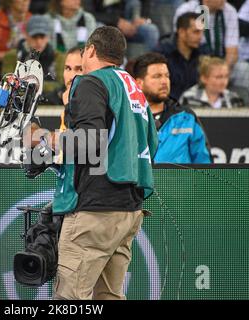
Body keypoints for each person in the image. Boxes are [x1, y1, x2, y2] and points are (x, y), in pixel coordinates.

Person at [49, 26, 158, 300]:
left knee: (70, 300)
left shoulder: (90, 82)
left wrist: (50, 142)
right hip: (129, 210)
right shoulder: (133, 86)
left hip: (95, 211)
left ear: (91, 51)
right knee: (108, 297)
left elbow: (90, 144)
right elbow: (152, 143)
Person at [133, 52, 212, 164]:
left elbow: (205, 165)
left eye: (167, 76)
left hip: (181, 182)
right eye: (157, 76)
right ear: (139, 83)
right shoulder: (128, 118)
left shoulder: (186, 117)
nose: (164, 81)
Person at [155, 12, 207, 100]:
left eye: (202, 32)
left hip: (197, 106)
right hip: (168, 107)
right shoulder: (162, 54)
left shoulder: (203, 54)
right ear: (182, 32)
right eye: (196, 32)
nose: (200, 37)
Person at [180, 56, 245, 109]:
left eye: (226, 76)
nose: (223, 81)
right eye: (218, 77)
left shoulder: (234, 98)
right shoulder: (189, 97)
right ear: (204, 78)